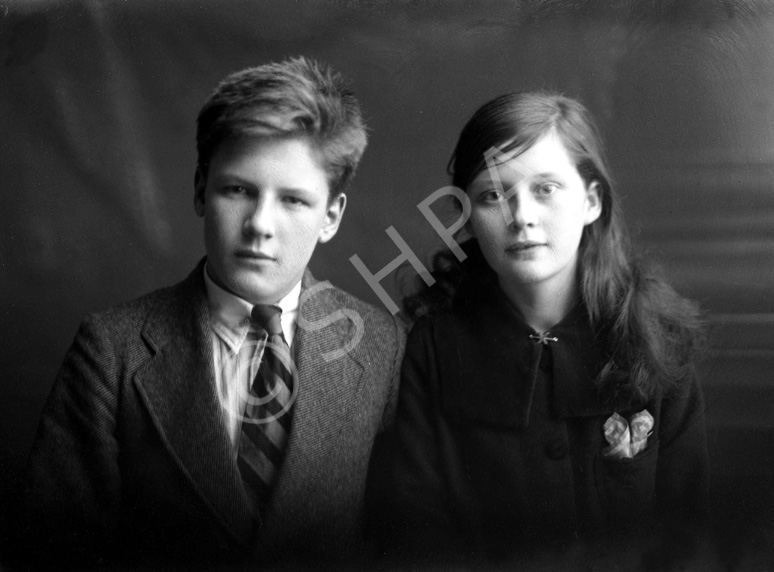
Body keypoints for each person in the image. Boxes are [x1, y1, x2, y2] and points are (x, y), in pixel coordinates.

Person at [20, 57, 405, 570]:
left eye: (293, 200)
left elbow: (398, 540)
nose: (260, 225)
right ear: (201, 189)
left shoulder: (380, 345)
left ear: (331, 216)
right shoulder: (112, 349)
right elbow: (53, 548)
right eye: (239, 190)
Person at [377, 92, 708, 565]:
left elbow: (687, 538)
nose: (522, 217)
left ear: (591, 202)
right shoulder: (432, 349)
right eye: (492, 195)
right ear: (469, 219)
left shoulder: (658, 342)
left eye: (545, 189)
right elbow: (418, 536)